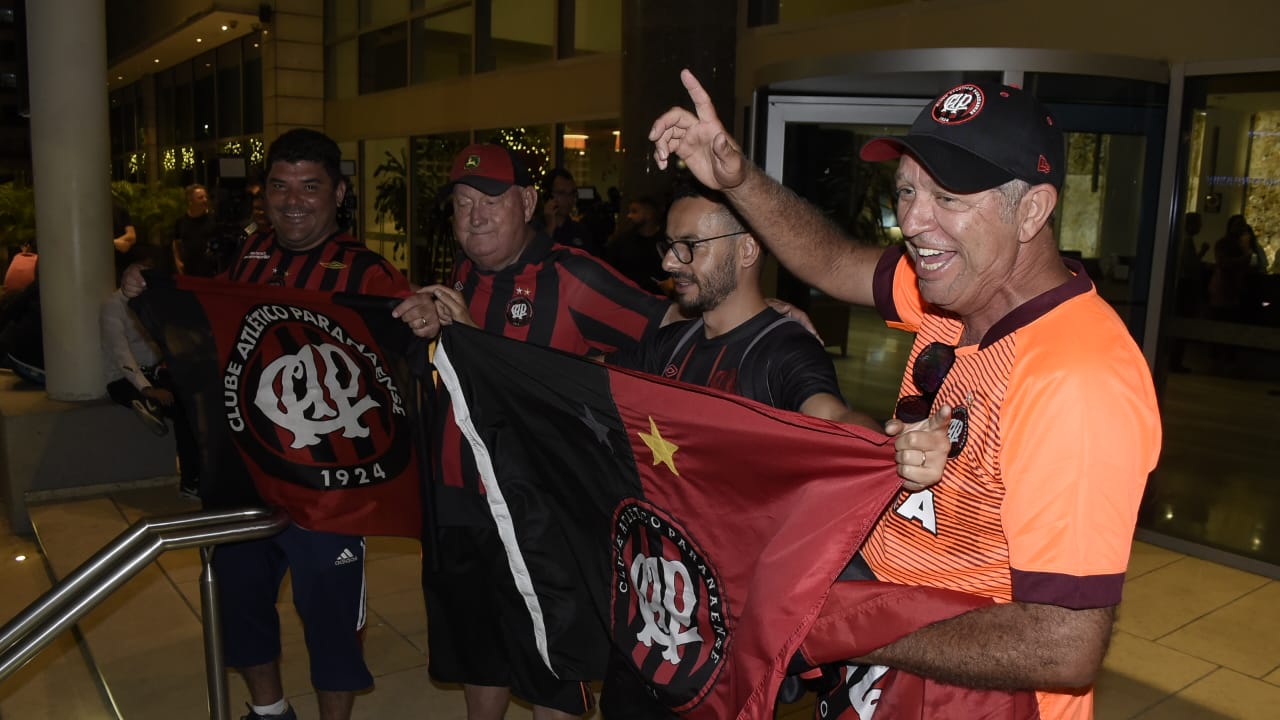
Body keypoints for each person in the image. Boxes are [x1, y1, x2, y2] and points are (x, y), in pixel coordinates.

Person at [650, 71, 1161, 718]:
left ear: (1031, 210)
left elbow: (1064, 645)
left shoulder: (1076, 376)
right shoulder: (954, 290)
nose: (913, 222)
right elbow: (833, 261)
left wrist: (834, 623)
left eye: (948, 197)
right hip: (896, 681)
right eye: (907, 192)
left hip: (982, 703)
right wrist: (736, 179)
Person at [598, 178, 949, 718]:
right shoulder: (669, 342)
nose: (672, 262)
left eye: (690, 246)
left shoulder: (784, 349)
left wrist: (886, 444)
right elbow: (596, 388)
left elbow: (829, 417)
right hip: (652, 616)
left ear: (745, 248)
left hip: (719, 643)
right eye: (669, 246)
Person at [124, 128, 410, 720]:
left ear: (338, 192)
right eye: (279, 186)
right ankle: (269, 709)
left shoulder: (369, 274)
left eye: (310, 186)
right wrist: (151, 292)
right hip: (247, 474)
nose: (293, 200)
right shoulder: (250, 255)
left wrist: (427, 316)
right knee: (242, 598)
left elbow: (403, 371)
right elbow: (214, 333)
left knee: (330, 618)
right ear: (264, 193)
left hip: (328, 491)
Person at [99, 287, 200, 497]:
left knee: (186, 405)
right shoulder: (113, 307)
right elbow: (121, 354)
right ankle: (145, 401)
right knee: (127, 389)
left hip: (156, 371)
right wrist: (148, 388)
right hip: (123, 378)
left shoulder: (154, 300)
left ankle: (192, 479)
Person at [604, 195, 669, 294]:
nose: (629, 216)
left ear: (649, 214)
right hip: (628, 298)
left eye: (634, 212)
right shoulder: (621, 241)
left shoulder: (666, 241)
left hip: (660, 301)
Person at [535, 168, 602, 255]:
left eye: (572, 193)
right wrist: (550, 228)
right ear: (548, 196)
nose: (569, 199)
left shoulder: (581, 231)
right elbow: (534, 260)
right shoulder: (533, 229)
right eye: (562, 193)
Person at [172, 183, 217, 277]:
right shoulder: (181, 221)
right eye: (200, 198)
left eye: (206, 197)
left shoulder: (213, 220)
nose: (205, 200)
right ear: (190, 201)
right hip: (188, 270)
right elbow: (176, 242)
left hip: (209, 271)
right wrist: (178, 261)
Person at [112, 200, 138, 284]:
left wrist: (116, 242)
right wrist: (113, 244)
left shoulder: (119, 208)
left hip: (120, 261)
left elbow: (132, 236)